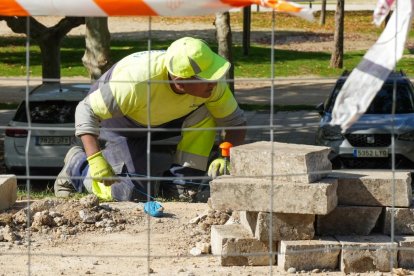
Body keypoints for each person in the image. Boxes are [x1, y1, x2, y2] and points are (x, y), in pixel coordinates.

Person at [54, 37, 246, 201]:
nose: (215, 82)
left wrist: (227, 157)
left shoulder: (212, 86)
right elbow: (85, 110)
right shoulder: (136, 82)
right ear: (180, 81)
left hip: (163, 117)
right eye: (207, 78)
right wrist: (94, 159)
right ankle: (78, 166)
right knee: (130, 194)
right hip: (120, 121)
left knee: (208, 112)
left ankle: (181, 183)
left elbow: (235, 123)